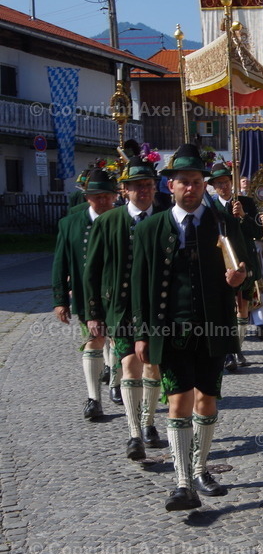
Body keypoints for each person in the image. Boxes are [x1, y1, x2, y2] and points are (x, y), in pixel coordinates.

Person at [132, 143, 247, 511]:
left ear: (204, 185)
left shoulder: (223, 222)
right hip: (171, 329)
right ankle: (182, 484)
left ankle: (201, 469)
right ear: (171, 186)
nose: (190, 188)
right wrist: (139, 334)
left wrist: (238, 279)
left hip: (214, 327)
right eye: (183, 182)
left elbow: (247, 271)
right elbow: (139, 284)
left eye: (197, 181)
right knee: (178, 402)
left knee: (207, 400)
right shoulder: (151, 228)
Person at [83, 156, 165, 460]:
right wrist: (93, 312)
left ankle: (148, 422)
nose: (142, 191)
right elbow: (91, 271)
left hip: (159, 308)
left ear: (154, 187)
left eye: (147, 185)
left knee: (152, 366)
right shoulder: (108, 222)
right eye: (135, 186)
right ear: (125, 190)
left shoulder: (167, 218)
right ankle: (134, 434)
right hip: (122, 307)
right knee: (130, 365)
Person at [51, 168, 118, 420]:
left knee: (117, 341)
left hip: (116, 294)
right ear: (87, 198)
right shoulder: (70, 224)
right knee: (94, 340)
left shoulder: (123, 220)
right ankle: (93, 399)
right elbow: (61, 262)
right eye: (96, 197)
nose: (102, 201)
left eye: (106, 196)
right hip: (84, 294)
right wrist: (60, 300)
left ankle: (115, 384)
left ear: (114, 197)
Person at [208, 162, 263, 371]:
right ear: (214, 186)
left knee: (243, 307)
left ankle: (237, 347)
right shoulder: (210, 206)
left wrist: (244, 216)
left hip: (245, 260)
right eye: (218, 183)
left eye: (225, 182)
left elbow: (257, 233)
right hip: (222, 263)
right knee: (227, 306)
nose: (223, 186)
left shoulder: (246, 202)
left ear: (232, 182)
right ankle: (229, 350)